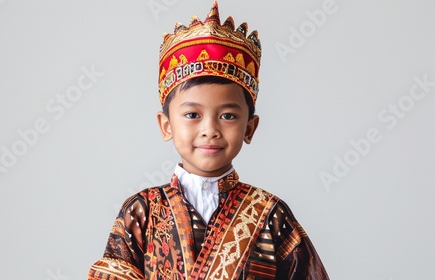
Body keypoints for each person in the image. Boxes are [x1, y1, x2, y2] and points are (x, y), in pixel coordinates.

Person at [88, 2, 329, 279]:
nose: (210, 129)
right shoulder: (142, 210)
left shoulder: (271, 214)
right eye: (192, 114)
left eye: (227, 116)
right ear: (166, 126)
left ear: (250, 128)